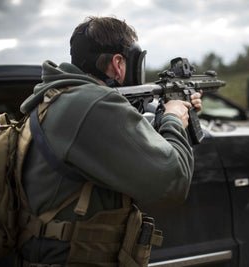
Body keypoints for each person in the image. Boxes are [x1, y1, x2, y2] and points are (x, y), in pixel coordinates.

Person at [17, 16, 201, 266]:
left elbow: (122, 138)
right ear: (118, 63)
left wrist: (170, 116)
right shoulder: (92, 105)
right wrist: (174, 119)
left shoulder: (59, 96)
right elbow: (174, 181)